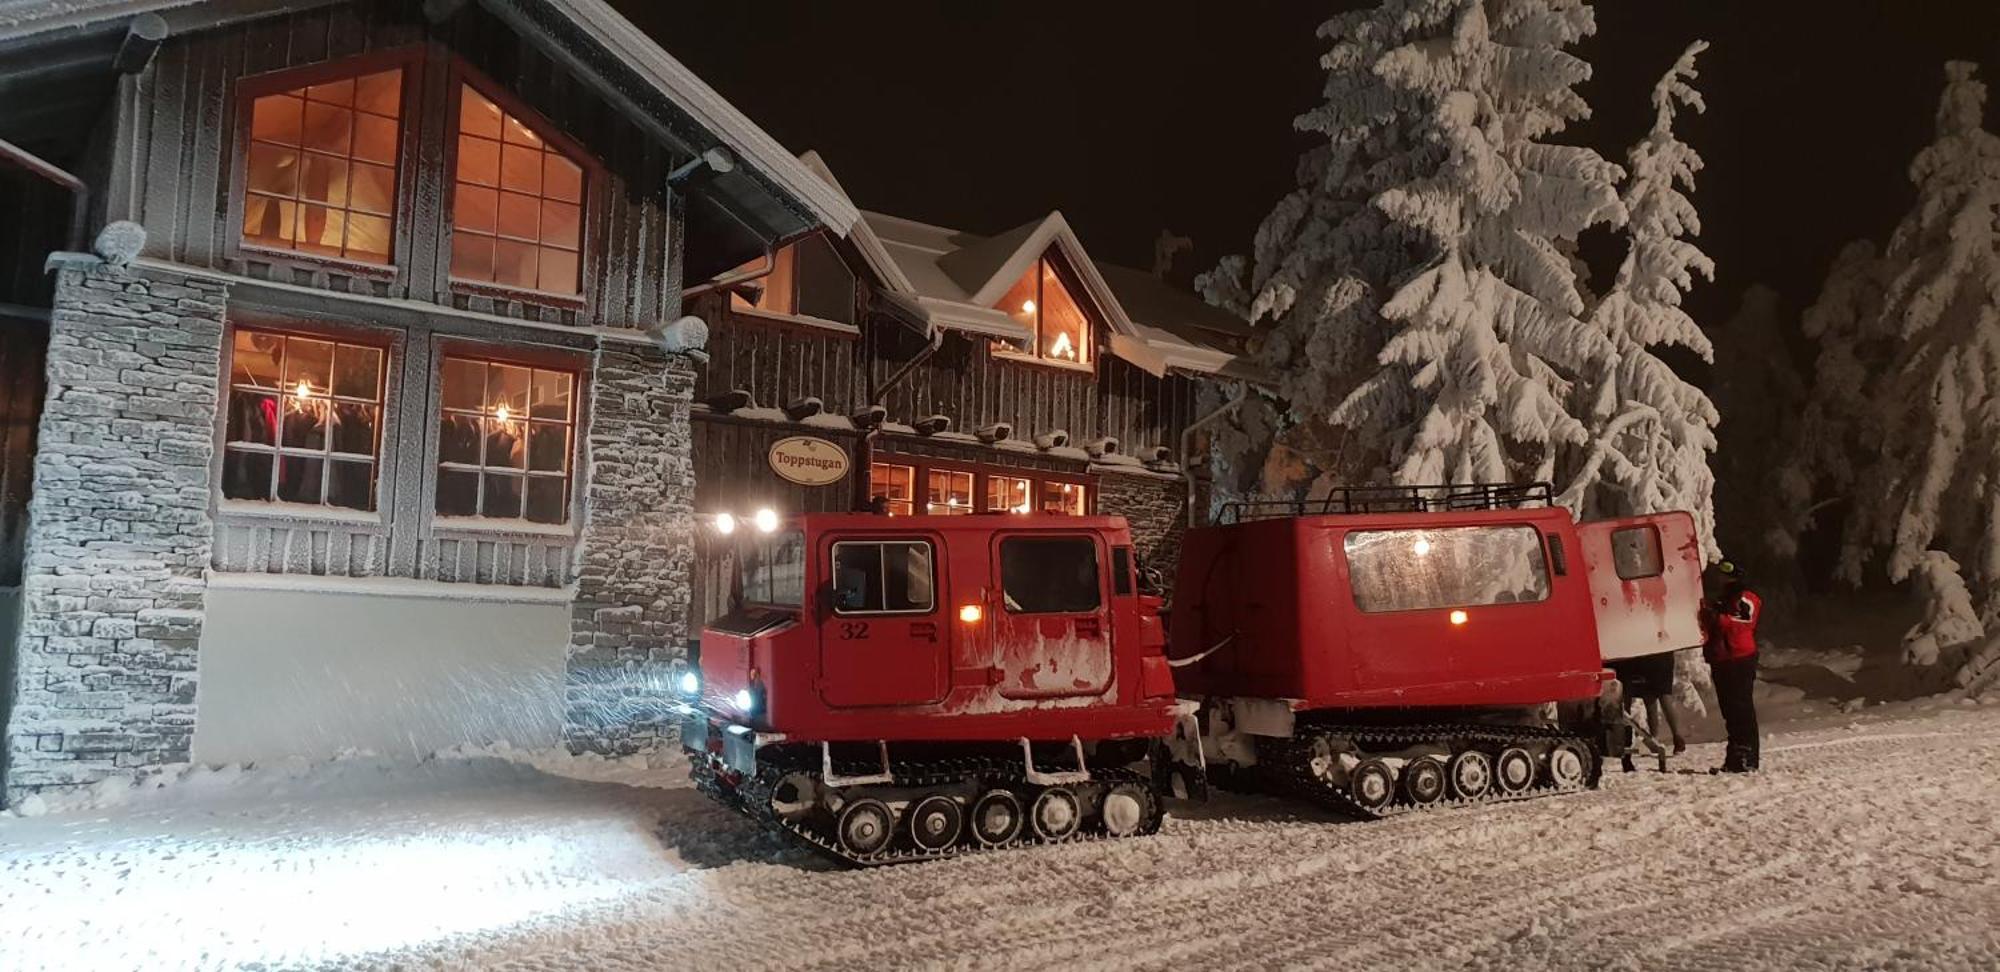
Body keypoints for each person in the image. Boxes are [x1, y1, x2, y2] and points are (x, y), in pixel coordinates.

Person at [1702, 559, 1762, 773]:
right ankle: (1735, 757)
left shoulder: (1746, 597)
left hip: (1739, 658)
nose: (1721, 578)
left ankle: (1747, 756)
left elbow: (1745, 623)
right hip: (1723, 659)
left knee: (1741, 708)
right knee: (1730, 709)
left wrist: (1718, 619)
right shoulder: (1724, 598)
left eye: (1726, 573)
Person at [1607, 649, 1687, 770]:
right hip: (1658, 649)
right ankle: (1665, 739)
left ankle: (1629, 752)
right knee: (1654, 696)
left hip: (1627, 653)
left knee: (1627, 698)